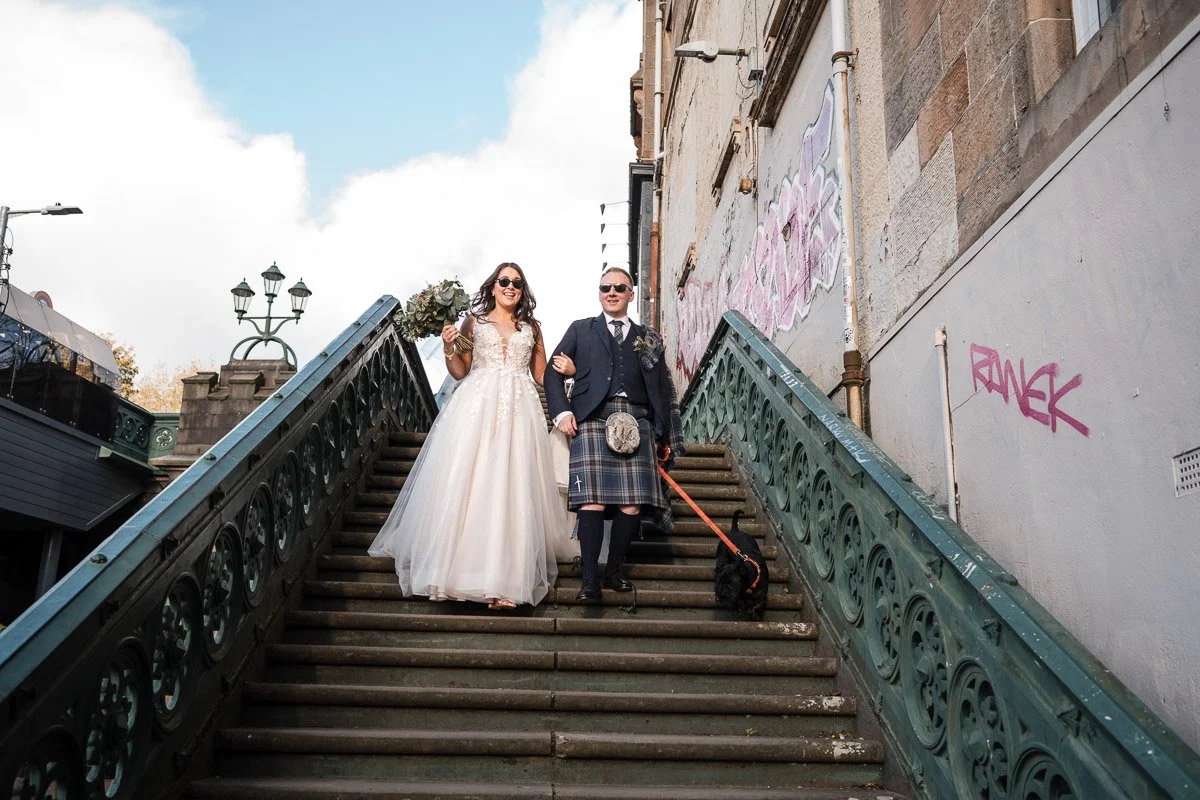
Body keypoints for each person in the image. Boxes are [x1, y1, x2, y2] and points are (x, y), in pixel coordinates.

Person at [369, 263, 572, 609]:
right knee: (470, 485)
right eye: (504, 281)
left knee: (512, 489)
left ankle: (506, 583)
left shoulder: (532, 328)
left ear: (523, 290)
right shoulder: (473, 322)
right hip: (476, 407)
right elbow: (460, 371)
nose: (510, 287)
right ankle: (450, 576)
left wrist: (571, 372)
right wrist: (449, 347)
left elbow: (540, 376)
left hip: (520, 410)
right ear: (493, 286)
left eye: (517, 283)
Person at [544, 267, 685, 601]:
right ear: (599, 292)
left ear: (631, 294)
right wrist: (562, 412)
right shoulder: (581, 330)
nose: (612, 292)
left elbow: (662, 387)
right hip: (593, 420)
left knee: (632, 506)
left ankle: (615, 572)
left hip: (638, 420)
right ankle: (589, 581)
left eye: (620, 287)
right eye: (605, 287)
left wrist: (664, 433)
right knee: (591, 502)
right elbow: (551, 373)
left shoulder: (648, 337)